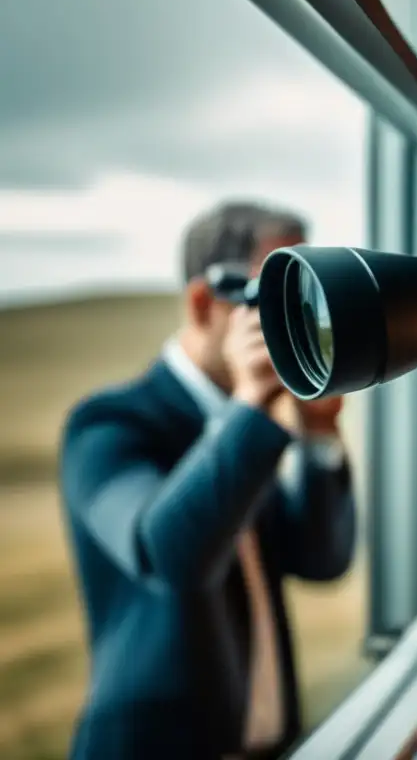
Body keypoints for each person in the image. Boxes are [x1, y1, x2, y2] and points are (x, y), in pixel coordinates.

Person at [60, 202, 358, 760]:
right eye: (272, 294)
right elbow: (170, 556)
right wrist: (251, 405)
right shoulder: (106, 425)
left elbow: (322, 561)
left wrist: (319, 432)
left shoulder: (244, 428)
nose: (293, 315)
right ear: (204, 304)